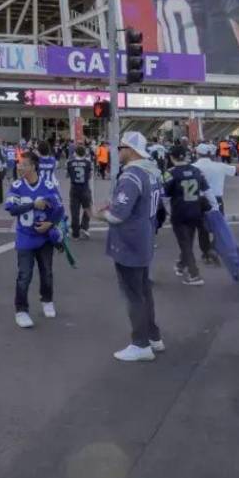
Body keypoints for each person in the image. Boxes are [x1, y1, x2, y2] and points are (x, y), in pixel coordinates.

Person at [96, 131, 165, 361]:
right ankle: (153, 336)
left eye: (121, 147)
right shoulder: (152, 174)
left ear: (131, 150)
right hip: (144, 238)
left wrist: (101, 214)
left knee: (133, 295)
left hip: (129, 242)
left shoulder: (131, 176)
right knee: (144, 291)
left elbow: (118, 215)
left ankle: (140, 344)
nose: (118, 151)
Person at [4, 151, 64, 328]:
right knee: (24, 275)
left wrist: (50, 224)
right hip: (25, 236)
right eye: (19, 164)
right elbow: (12, 209)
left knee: (46, 272)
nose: (19, 167)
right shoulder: (16, 186)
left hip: (44, 237)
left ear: (32, 166)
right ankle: (21, 309)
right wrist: (33, 204)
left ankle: (47, 299)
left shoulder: (48, 185)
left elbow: (60, 209)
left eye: (23, 164)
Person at [164, 145, 211, 286]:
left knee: (185, 243)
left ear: (172, 157)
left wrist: (168, 212)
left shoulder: (170, 173)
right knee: (188, 241)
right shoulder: (197, 171)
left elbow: (164, 197)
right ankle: (181, 264)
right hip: (195, 211)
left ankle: (194, 274)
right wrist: (213, 208)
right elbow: (207, 191)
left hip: (179, 212)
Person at [66, 144, 95, 239]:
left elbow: (68, 175)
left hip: (74, 188)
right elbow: (90, 175)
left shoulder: (70, 162)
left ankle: (75, 233)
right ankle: (84, 226)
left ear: (75, 153)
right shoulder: (88, 163)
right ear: (84, 153)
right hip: (85, 188)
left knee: (75, 211)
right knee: (88, 207)